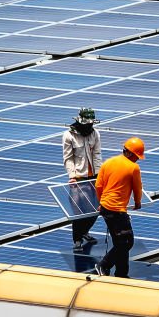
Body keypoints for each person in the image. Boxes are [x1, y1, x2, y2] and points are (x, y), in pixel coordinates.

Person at [94, 137, 145, 278]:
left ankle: (122, 273)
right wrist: (137, 202)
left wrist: (101, 202)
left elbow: (98, 185)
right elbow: (137, 188)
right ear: (129, 153)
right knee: (127, 242)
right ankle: (103, 265)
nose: (137, 159)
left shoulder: (108, 162)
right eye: (136, 156)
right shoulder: (133, 168)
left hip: (105, 207)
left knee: (120, 242)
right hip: (116, 210)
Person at [62, 107, 103, 252]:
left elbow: (97, 154)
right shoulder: (68, 136)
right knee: (80, 212)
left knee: (96, 209)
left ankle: (85, 232)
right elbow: (68, 158)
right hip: (79, 177)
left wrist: (99, 175)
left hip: (94, 177)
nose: (90, 126)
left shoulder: (95, 134)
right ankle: (77, 239)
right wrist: (72, 177)